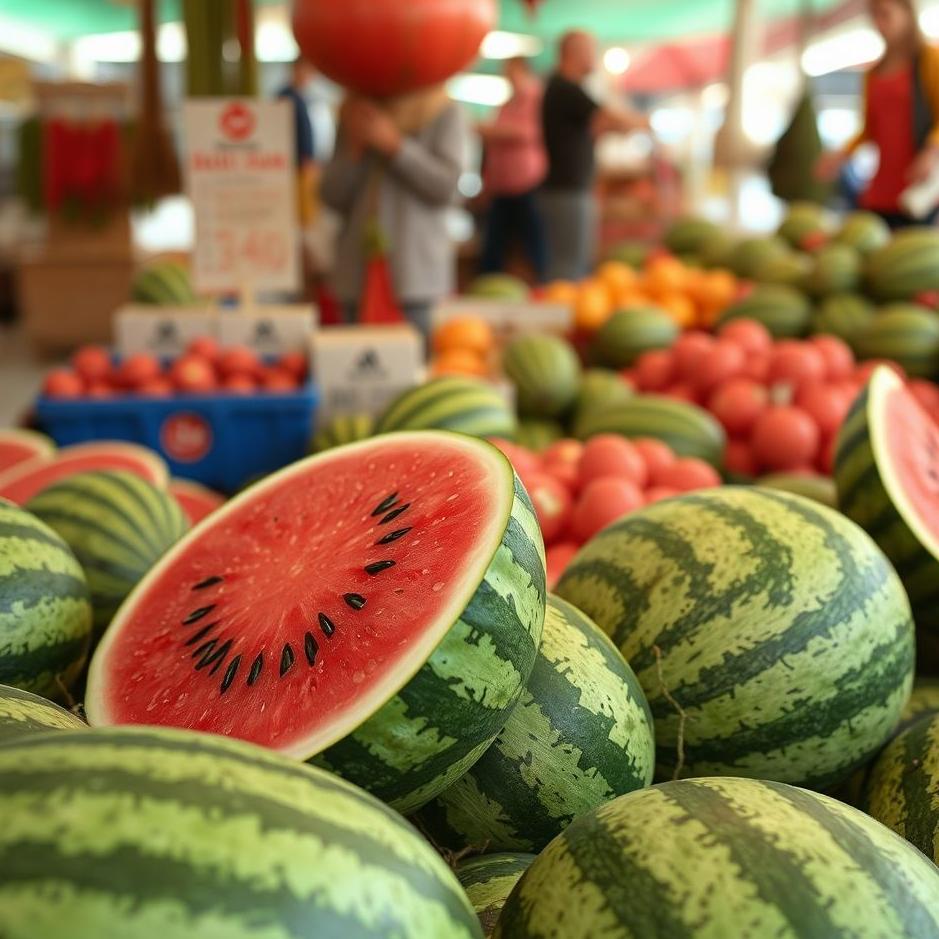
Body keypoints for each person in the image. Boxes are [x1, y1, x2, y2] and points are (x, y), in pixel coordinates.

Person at [320, 90, 468, 340]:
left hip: (414, 279)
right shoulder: (355, 111)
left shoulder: (443, 110)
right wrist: (354, 153)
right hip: (356, 276)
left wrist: (396, 146)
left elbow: (448, 188)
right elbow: (331, 197)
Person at [817, 0, 939, 227]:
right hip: (881, 186)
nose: (879, 23)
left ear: (907, 13)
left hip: (918, 185)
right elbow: (869, 129)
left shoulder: (931, 60)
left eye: (886, 14)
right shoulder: (873, 72)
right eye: (874, 15)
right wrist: (841, 154)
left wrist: (932, 151)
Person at [541, 31, 650, 280]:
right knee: (568, 268)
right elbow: (608, 117)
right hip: (566, 189)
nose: (594, 58)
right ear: (574, 53)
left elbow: (600, 125)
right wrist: (642, 120)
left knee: (572, 263)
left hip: (569, 188)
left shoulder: (564, 88)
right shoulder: (564, 87)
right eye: (591, 51)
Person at [477, 58, 548, 282]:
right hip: (502, 184)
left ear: (525, 72)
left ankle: (541, 285)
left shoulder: (535, 98)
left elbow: (526, 133)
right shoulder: (507, 104)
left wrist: (488, 130)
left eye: (512, 72)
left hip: (526, 181)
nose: (509, 77)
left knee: (533, 242)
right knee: (494, 244)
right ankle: (488, 284)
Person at [277, 58, 318, 227]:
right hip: (294, 163)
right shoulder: (286, 96)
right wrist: (303, 157)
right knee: (296, 211)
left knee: (306, 212)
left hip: (304, 162)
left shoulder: (301, 97)